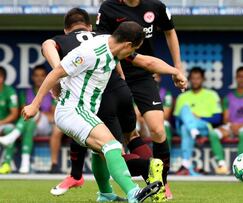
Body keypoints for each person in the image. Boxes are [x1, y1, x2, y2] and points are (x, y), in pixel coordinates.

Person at [23, 21, 186, 202]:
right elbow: (56, 72)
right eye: (133, 49)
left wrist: (175, 72)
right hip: (73, 111)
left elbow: (146, 61)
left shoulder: (112, 46)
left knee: (100, 153)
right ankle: (133, 192)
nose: (131, 54)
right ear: (127, 45)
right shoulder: (89, 53)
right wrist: (34, 105)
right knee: (112, 146)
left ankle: (106, 194)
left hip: (86, 112)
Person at [96, 0, 183, 198]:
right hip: (115, 76)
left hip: (144, 75)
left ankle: (162, 182)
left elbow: (170, 32)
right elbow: (103, 42)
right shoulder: (108, 8)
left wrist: (178, 66)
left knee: (158, 129)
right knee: (126, 136)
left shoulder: (156, 6)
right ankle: (152, 180)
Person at [0, 65, 60, 174]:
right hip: (30, 125)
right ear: (32, 77)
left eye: (42, 75)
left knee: (33, 113)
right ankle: (25, 164)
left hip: (46, 126)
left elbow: (53, 115)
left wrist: (39, 113)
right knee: (30, 120)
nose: (39, 78)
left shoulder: (52, 92)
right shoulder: (26, 93)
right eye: (36, 75)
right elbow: (23, 113)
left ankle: (12, 136)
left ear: (47, 77)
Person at [173, 67, 223, 176]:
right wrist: (189, 119)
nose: (195, 81)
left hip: (204, 128)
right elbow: (176, 119)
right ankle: (194, 132)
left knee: (185, 127)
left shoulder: (212, 95)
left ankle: (185, 163)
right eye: (193, 78)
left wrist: (198, 118)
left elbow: (218, 118)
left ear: (203, 79)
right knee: (185, 111)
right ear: (189, 80)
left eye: (198, 78)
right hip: (186, 128)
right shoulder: (182, 96)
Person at [213, 67, 243, 174]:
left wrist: (240, 125)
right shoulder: (228, 97)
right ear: (236, 78)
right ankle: (222, 165)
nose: (241, 79)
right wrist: (231, 125)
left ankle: (240, 167)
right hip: (231, 125)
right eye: (239, 76)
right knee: (214, 133)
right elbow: (225, 118)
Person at [0, 66, 19, 172]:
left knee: (11, 131)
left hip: (4, 124)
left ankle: (6, 164)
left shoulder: (9, 91)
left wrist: (1, 122)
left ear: (2, 78)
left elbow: (14, 114)